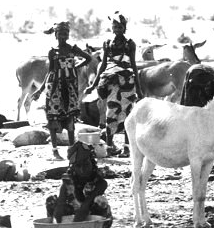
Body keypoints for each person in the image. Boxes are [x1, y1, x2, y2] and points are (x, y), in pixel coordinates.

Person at [32, 21, 93, 160]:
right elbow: (50, 71)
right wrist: (40, 90)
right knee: (53, 117)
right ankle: (54, 151)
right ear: (55, 35)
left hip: (70, 87)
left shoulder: (73, 49)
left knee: (70, 118)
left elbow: (88, 58)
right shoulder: (52, 51)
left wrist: (75, 67)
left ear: (68, 34)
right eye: (60, 33)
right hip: (54, 87)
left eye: (65, 33)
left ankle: (71, 150)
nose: (63, 36)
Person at [85, 11, 143, 157]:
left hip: (127, 83)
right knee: (111, 113)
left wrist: (139, 89)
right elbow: (103, 64)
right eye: (114, 27)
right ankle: (110, 146)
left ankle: (126, 147)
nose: (116, 29)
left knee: (128, 114)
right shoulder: (107, 43)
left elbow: (134, 66)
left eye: (119, 27)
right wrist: (94, 85)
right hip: (110, 82)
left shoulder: (130, 44)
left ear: (124, 28)